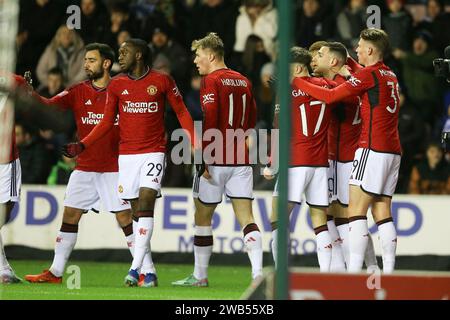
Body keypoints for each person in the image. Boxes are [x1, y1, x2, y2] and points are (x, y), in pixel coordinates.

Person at [62, 39, 194, 287]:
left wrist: (194, 141)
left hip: (154, 152)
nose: (120, 56)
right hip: (127, 157)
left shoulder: (162, 80)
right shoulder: (117, 85)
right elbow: (105, 121)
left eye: (124, 52)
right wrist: (83, 144)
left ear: (139, 55)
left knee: (145, 203)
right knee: (136, 212)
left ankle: (134, 269)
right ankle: (150, 272)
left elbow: (182, 112)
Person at [24, 43, 155, 284]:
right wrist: (30, 94)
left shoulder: (124, 89)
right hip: (84, 167)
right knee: (70, 215)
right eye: (85, 60)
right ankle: (55, 271)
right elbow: (49, 104)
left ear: (106, 63)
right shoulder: (77, 91)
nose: (86, 64)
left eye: (91, 60)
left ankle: (146, 271)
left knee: (125, 219)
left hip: (115, 168)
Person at [293, 29, 400, 274]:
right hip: (393, 150)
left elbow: (330, 97)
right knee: (382, 210)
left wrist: (298, 81)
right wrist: (343, 61)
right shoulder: (389, 74)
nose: (357, 51)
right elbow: (351, 65)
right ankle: (388, 273)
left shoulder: (367, 75)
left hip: (369, 149)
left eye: (361, 47)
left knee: (354, 212)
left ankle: (352, 275)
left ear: (371, 50)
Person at [172, 32, 261, 287]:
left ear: (211, 56)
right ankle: (256, 275)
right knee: (247, 217)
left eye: (198, 56)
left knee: (202, 217)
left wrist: (203, 158)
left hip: (215, 159)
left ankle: (200, 276)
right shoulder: (244, 80)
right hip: (241, 160)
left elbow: (210, 118)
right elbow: (252, 118)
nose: (195, 61)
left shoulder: (211, 81)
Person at [309, 41, 379, 271]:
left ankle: (361, 268)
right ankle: (348, 268)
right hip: (334, 156)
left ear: (332, 61)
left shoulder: (340, 87)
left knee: (347, 217)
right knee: (337, 215)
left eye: (319, 55)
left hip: (344, 158)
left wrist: (298, 82)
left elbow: (331, 99)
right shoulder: (351, 80)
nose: (314, 59)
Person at [265, 47, 335, 272]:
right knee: (320, 223)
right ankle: (326, 276)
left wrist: (271, 163)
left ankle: (280, 274)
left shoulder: (286, 89)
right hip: (320, 164)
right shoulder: (326, 85)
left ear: (296, 67)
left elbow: (278, 128)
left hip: (295, 162)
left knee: (277, 219)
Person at [0, 73, 29, 284]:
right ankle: (4, 270)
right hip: (5, 158)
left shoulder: (14, 79)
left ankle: (4, 270)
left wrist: (27, 92)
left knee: (6, 211)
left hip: (5, 157)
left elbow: (30, 107)